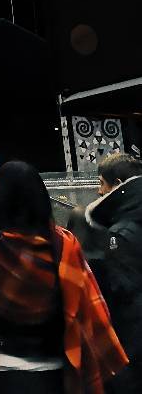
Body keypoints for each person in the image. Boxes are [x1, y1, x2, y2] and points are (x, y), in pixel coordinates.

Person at [0, 153, 127, 393]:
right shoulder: (65, 242)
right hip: (54, 367)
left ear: (3, 198)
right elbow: (83, 305)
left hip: (0, 368)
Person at [86, 151, 142, 392]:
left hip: (132, 348)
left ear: (118, 185)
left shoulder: (120, 233)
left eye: (101, 183)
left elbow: (122, 296)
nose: (99, 192)